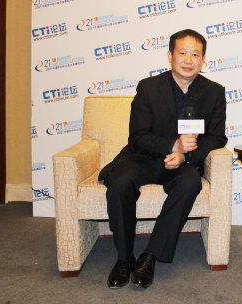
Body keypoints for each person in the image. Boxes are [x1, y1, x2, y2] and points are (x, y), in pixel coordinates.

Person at [98, 29, 227, 289]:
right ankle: (124, 258)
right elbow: (138, 136)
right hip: (143, 158)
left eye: (195, 55)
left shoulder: (214, 91)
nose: (188, 60)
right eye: (182, 53)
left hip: (182, 163)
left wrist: (183, 154)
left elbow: (216, 138)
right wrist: (171, 145)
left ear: (203, 60)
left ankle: (150, 255)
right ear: (170, 56)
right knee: (120, 181)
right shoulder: (148, 87)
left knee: (190, 182)